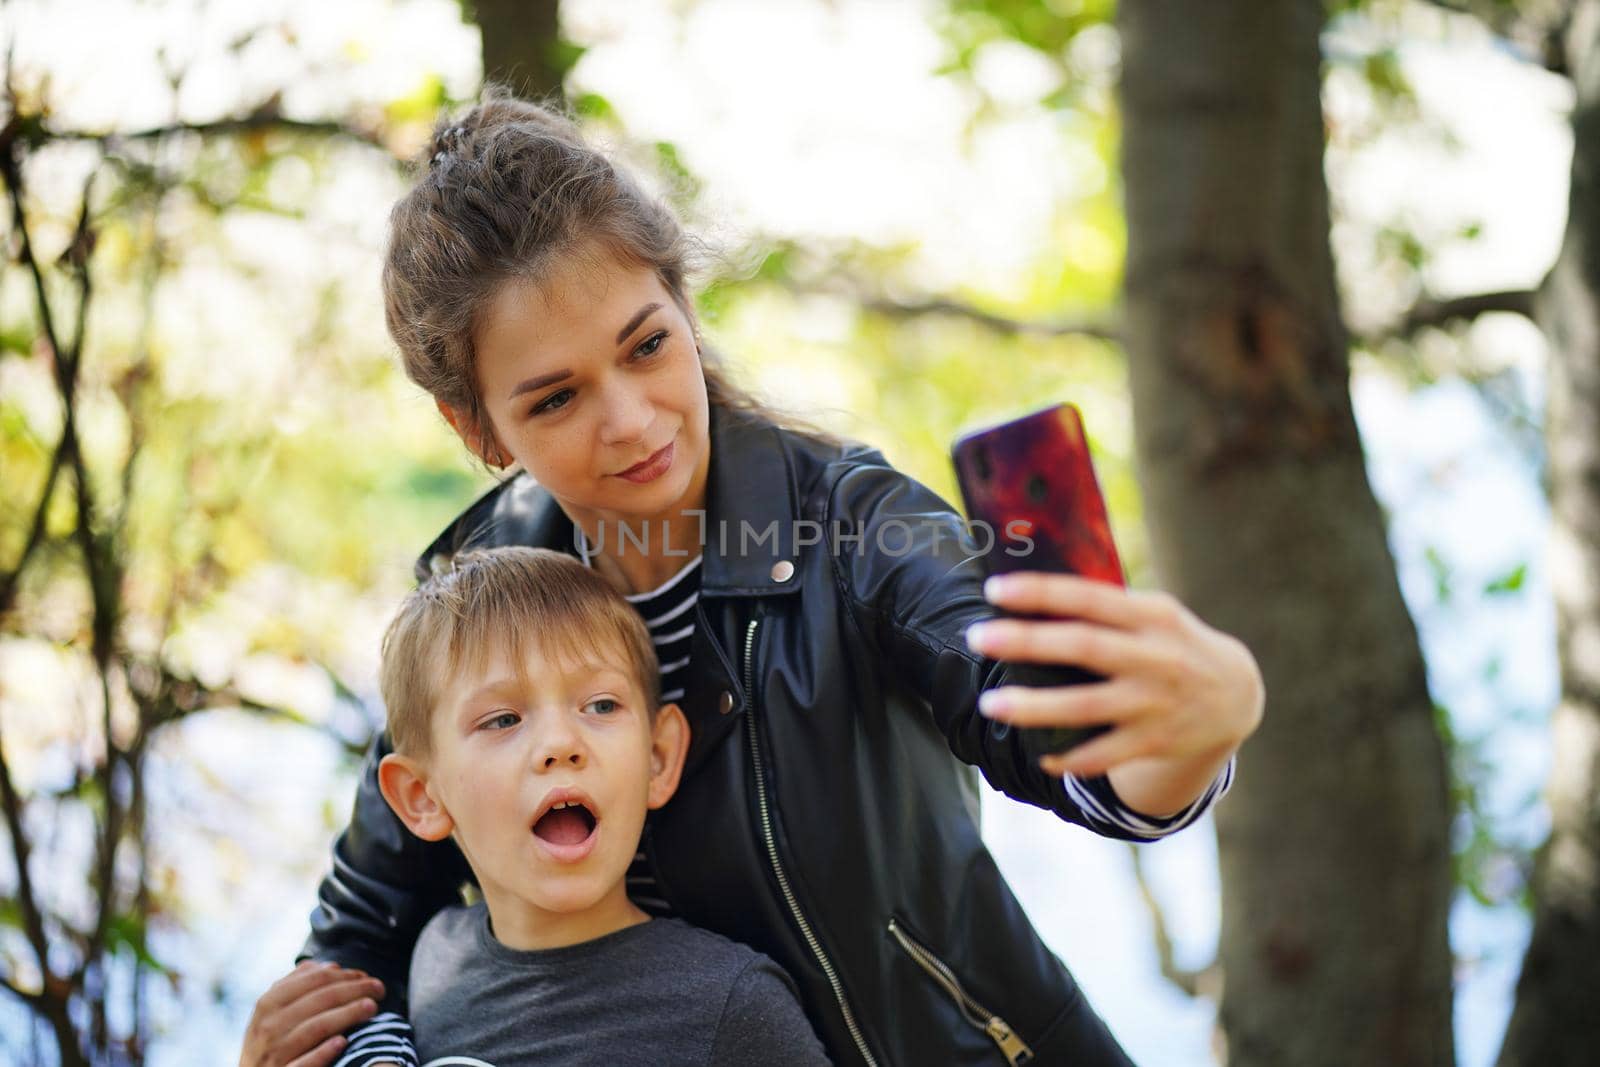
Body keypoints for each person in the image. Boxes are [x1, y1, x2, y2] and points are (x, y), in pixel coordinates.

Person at [240, 86, 1265, 1067]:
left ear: (684, 309)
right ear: (478, 428)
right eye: (555, 399)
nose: (633, 418)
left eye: (646, 345)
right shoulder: (477, 604)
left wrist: (1187, 732)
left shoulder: (861, 529)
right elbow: (361, 936)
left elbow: (1051, 740)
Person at [370, 545, 832, 1064]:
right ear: (422, 798)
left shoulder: (732, 1008)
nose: (559, 744)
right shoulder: (432, 959)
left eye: (601, 705)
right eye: (502, 719)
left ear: (657, 757)